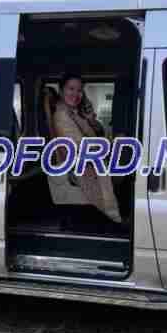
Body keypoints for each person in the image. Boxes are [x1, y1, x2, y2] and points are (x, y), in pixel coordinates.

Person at [51, 73, 124, 224]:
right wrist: (109, 146)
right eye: (71, 89)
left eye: (79, 90)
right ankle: (116, 218)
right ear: (61, 90)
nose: (76, 94)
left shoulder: (74, 113)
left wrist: (91, 120)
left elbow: (95, 135)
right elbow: (81, 146)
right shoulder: (62, 116)